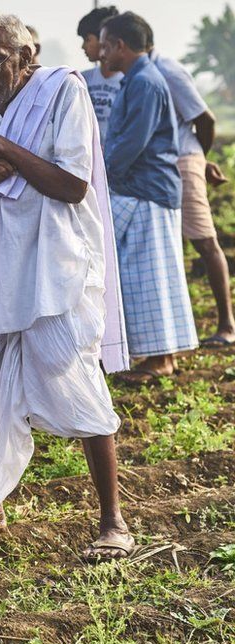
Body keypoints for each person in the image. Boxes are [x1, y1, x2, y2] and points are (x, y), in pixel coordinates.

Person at [0, 13, 134, 562]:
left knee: (76, 379)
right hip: (1, 264)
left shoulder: (62, 93)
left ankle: (112, 520)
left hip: (57, 268)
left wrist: (7, 151)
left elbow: (73, 185)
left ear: (29, 56)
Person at [101, 12, 198, 382]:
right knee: (145, 275)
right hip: (143, 189)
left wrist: (101, 176)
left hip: (146, 190)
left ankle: (160, 360)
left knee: (151, 276)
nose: (102, 53)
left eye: (106, 44)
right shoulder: (138, 79)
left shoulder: (145, 82)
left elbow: (131, 143)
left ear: (121, 46)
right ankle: (159, 356)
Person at [148, 45, 235, 347]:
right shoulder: (134, 74)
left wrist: (198, 159)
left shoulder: (168, 71)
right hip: (159, 164)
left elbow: (205, 119)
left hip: (182, 160)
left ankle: (227, 324)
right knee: (170, 246)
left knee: (204, 241)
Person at [77, 6, 123, 145]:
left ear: (103, 39)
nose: (83, 46)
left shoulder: (128, 81)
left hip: (115, 160)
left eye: (87, 39)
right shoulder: (82, 79)